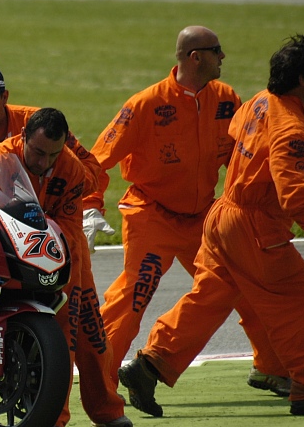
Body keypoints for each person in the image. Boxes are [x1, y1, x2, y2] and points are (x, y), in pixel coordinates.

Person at [118, 34, 304, 417]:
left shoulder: (258, 103)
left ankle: (149, 365)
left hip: (221, 218)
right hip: (254, 228)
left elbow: (233, 139)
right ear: (301, 80)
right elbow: (294, 194)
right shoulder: (292, 129)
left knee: (210, 299)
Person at [84, 26, 289, 406]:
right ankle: (99, 382)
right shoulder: (145, 105)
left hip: (203, 219)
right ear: (196, 57)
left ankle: (272, 367)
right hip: (151, 215)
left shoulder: (228, 100)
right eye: (217, 51)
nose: (223, 57)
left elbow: (241, 156)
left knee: (242, 285)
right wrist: (90, 207)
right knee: (134, 295)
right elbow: (95, 161)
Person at [0, 104, 131, 427]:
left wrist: (48, 241)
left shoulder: (72, 170)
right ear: (23, 137)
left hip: (60, 250)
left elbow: (69, 225)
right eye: (37, 152)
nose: (42, 162)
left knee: (80, 331)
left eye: (52, 154)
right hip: (8, 247)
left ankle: (92, 412)